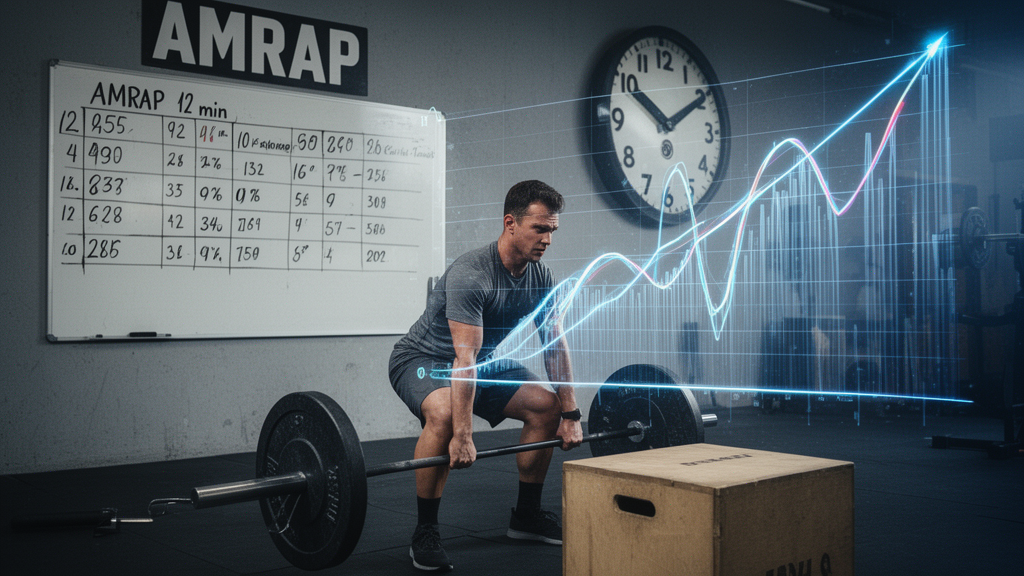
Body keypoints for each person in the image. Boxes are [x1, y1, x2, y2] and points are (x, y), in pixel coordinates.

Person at [388, 180, 583, 571]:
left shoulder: (541, 278)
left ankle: (525, 517)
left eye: (552, 231)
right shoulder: (471, 273)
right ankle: (425, 530)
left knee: (546, 407)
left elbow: (555, 346)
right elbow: (463, 359)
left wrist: (571, 415)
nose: (547, 239)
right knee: (444, 415)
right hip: (424, 360)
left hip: (482, 361)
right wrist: (463, 434)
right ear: (510, 223)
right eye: (539, 229)